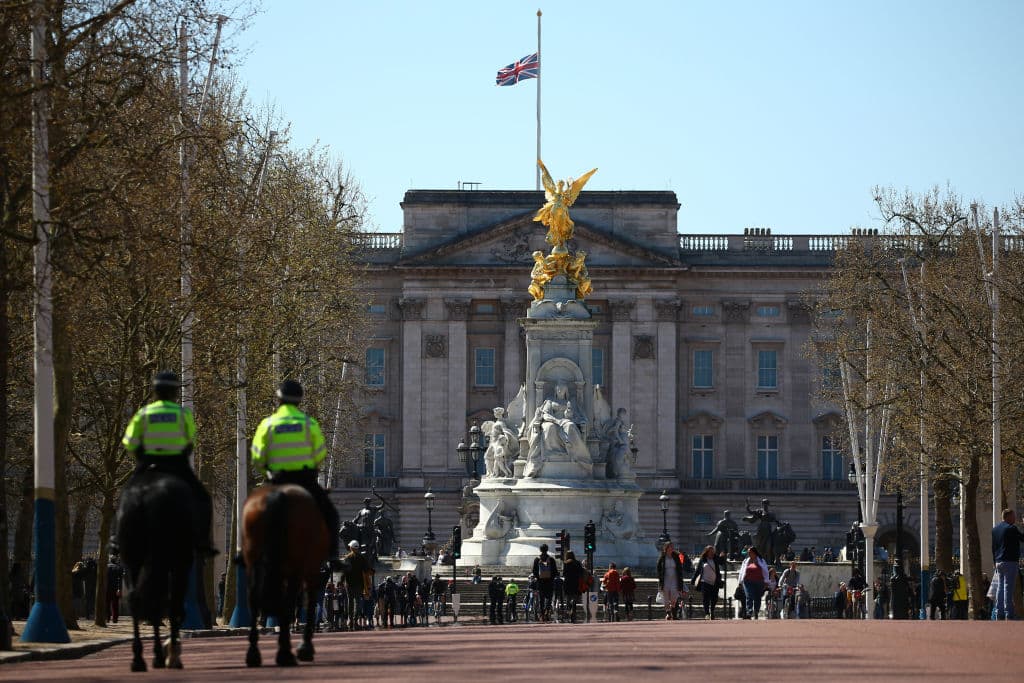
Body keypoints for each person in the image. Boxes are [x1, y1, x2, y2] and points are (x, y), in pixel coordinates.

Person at [118, 371, 216, 556]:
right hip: (177, 463)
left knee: (126, 495)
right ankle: (204, 542)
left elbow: (129, 442)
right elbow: (191, 440)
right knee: (203, 498)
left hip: (148, 462)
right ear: (175, 393)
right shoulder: (182, 413)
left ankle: (117, 537)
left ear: (155, 391)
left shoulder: (144, 413)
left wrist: (139, 456)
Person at [251, 379, 341, 563]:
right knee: (331, 513)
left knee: (252, 509)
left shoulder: (268, 423)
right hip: (304, 480)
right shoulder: (309, 424)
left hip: (276, 479)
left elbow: (257, 456)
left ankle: (247, 552)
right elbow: (320, 454)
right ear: (299, 400)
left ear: (279, 400)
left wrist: (265, 471)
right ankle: (333, 556)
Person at [991, 508, 1024, 620]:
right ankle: (1008, 613)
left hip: (999, 561)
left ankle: (999, 613)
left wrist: (994, 562)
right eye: (1013, 516)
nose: (1015, 518)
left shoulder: (995, 529)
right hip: (1010, 561)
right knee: (1008, 588)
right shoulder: (1012, 529)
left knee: (1000, 587)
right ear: (1008, 517)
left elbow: (993, 547)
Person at [342, 540, 371, 630]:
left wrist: (341, 581)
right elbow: (366, 570)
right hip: (359, 584)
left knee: (350, 603)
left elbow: (344, 571)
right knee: (357, 602)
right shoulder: (361, 558)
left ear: (351, 548)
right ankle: (355, 621)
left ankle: (350, 621)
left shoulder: (347, 557)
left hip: (349, 584)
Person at [737, 545, 770, 619]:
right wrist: (740, 582)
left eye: (750, 552)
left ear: (754, 553)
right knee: (749, 596)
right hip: (747, 581)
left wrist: (766, 581)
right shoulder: (746, 561)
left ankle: (756, 611)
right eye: (748, 552)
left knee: (757, 597)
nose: (748, 554)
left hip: (759, 581)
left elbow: (765, 571)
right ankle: (749, 612)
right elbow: (742, 571)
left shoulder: (761, 560)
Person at [656, 540, 685, 620]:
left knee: (674, 596)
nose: (672, 548)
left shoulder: (676, 556)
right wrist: (660, 576)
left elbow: (679, 568)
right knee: (665, 597)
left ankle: (673, 610)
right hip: (665, 579)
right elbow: (658, 568)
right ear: (666, 548)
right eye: (670, 547)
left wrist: (680, 578)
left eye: (672, 547)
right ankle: (668, 613)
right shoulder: (662, 557)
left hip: (674, 579)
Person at [692, 545, 721, 620]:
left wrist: (722, 557)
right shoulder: (703, 560)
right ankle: (707, 613)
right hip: (705, 582)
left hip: (714, 582)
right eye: (710, 552)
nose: (712, 553)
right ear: (707, 552)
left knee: (714, 598)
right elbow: (698, 570)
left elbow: (722, 563)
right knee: (706, 598)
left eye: (713, 551)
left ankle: (712, 611)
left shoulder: (716, 559)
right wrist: (693, 579)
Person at [532, 543, 559, 621]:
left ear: (540, 550)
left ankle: (542, 613)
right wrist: (550, 577)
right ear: (547, 549)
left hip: (540, 582)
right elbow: (555, 571)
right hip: (549, 582)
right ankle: (547, 611)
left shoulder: (537, 559)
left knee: (541, 599)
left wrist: (539, 577)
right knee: (549, 598)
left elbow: (534, 571)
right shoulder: (551, 559)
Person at [561, 550, 586, 623]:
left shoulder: (565, 563)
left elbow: (564, 574)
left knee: (568, 598)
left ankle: (569, 610)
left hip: (568, 583)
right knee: (575, 599)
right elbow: (581, 572)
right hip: (575, 583)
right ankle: (573, 612)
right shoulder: (577, 563)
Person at [106, 555, 123, 623]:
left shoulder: (106, 567)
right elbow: (120, 580)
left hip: (107, 588)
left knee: (107, 604)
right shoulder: (118, 567)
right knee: (115, 605)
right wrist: (119, 589)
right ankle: (115, 619)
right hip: (115, 588)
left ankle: (107, 618)